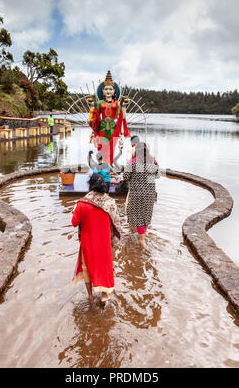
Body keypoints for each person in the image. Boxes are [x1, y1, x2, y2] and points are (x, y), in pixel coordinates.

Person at [71, 173, 121, 303]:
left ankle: (90, 296)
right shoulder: (110, 203)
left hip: (87, 243)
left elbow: (74, 222)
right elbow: (117, 224)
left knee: (86, 267)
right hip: (104, 243)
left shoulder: (82, 203)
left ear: (91, 185)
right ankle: (104, 295)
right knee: (104, 267)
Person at [89, 70, 130, 164]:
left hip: (113, 130)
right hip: (102, 130)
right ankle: (101, 168)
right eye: (106, 89)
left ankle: (109, 169)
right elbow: (94, 118)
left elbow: (122, 117)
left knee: (111, 151)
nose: (108, 91)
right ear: (102, 91)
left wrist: (124, 106)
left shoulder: (117, 103)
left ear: (114, 91)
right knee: (102, 150)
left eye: (110, 89)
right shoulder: (100, 103)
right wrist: (91, 106)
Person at [123, 142, 160, 246]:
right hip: (150, 193)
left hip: (136, 192)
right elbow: (157, 175)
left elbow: (125, 176)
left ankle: (141, 240)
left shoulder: (133, 162)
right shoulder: (153, 161)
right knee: (146, 214)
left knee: (138, 215)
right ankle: (143, 233)